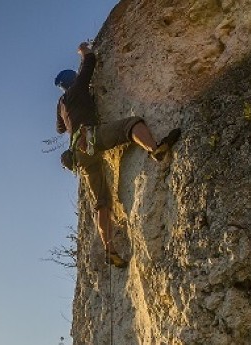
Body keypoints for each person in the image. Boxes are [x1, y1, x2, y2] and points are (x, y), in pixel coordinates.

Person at [55, 41, 180, 268]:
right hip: (93, 137)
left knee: (102, 202)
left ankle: (109, 249)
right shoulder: (78, 88)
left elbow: (60, 129)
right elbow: (90, 62)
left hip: (79, 155)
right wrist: (83, 50)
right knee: (131, 125)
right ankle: (155, 149)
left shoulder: (62, 103)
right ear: (72, 81)